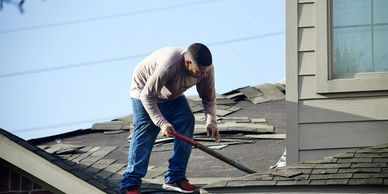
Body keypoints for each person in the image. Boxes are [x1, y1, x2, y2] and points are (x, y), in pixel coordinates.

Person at [120, 43, 221, 194]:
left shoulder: (206, 70)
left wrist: (211, 121)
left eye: (205, 71)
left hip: (171, 95)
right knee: (145, 131)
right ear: (188, 63)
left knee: (186, 120)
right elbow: (147, 96)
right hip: (144, 92)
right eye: (199, 71)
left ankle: (175, 178)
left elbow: (209, 98)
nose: (202, 74)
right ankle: (131, 184)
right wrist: (162, 123)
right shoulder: (169, 65)